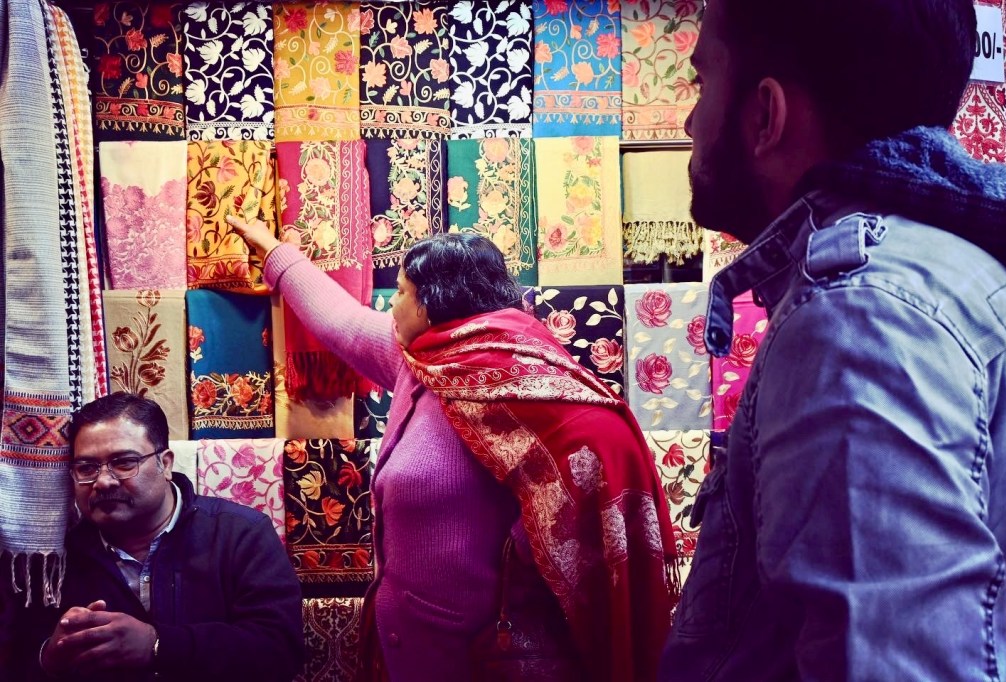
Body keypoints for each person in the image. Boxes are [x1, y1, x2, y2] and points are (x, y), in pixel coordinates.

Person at [659, 1, 1006, 680]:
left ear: (765, 115)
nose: (689, 122)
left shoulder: (859, 321)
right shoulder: (955, 264)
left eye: (702, 83)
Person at [227, 215, 679, 682]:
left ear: (430, 304)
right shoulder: (420, 361)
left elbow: (598, 442)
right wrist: (273, 251)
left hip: (478, 659)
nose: (392, 304)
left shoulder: (518, 376)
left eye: (400, 291)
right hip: (404, 644)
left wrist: (534, 549)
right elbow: (340, 320)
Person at [25, 392, 303, 682]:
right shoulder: (53, 558)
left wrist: (158, 645)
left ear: (166, 464)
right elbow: (16, 657)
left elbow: (280, 650)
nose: (103, 481)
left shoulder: (241, 534)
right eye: (86, 468)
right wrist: (50, 657)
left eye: (124, 462)